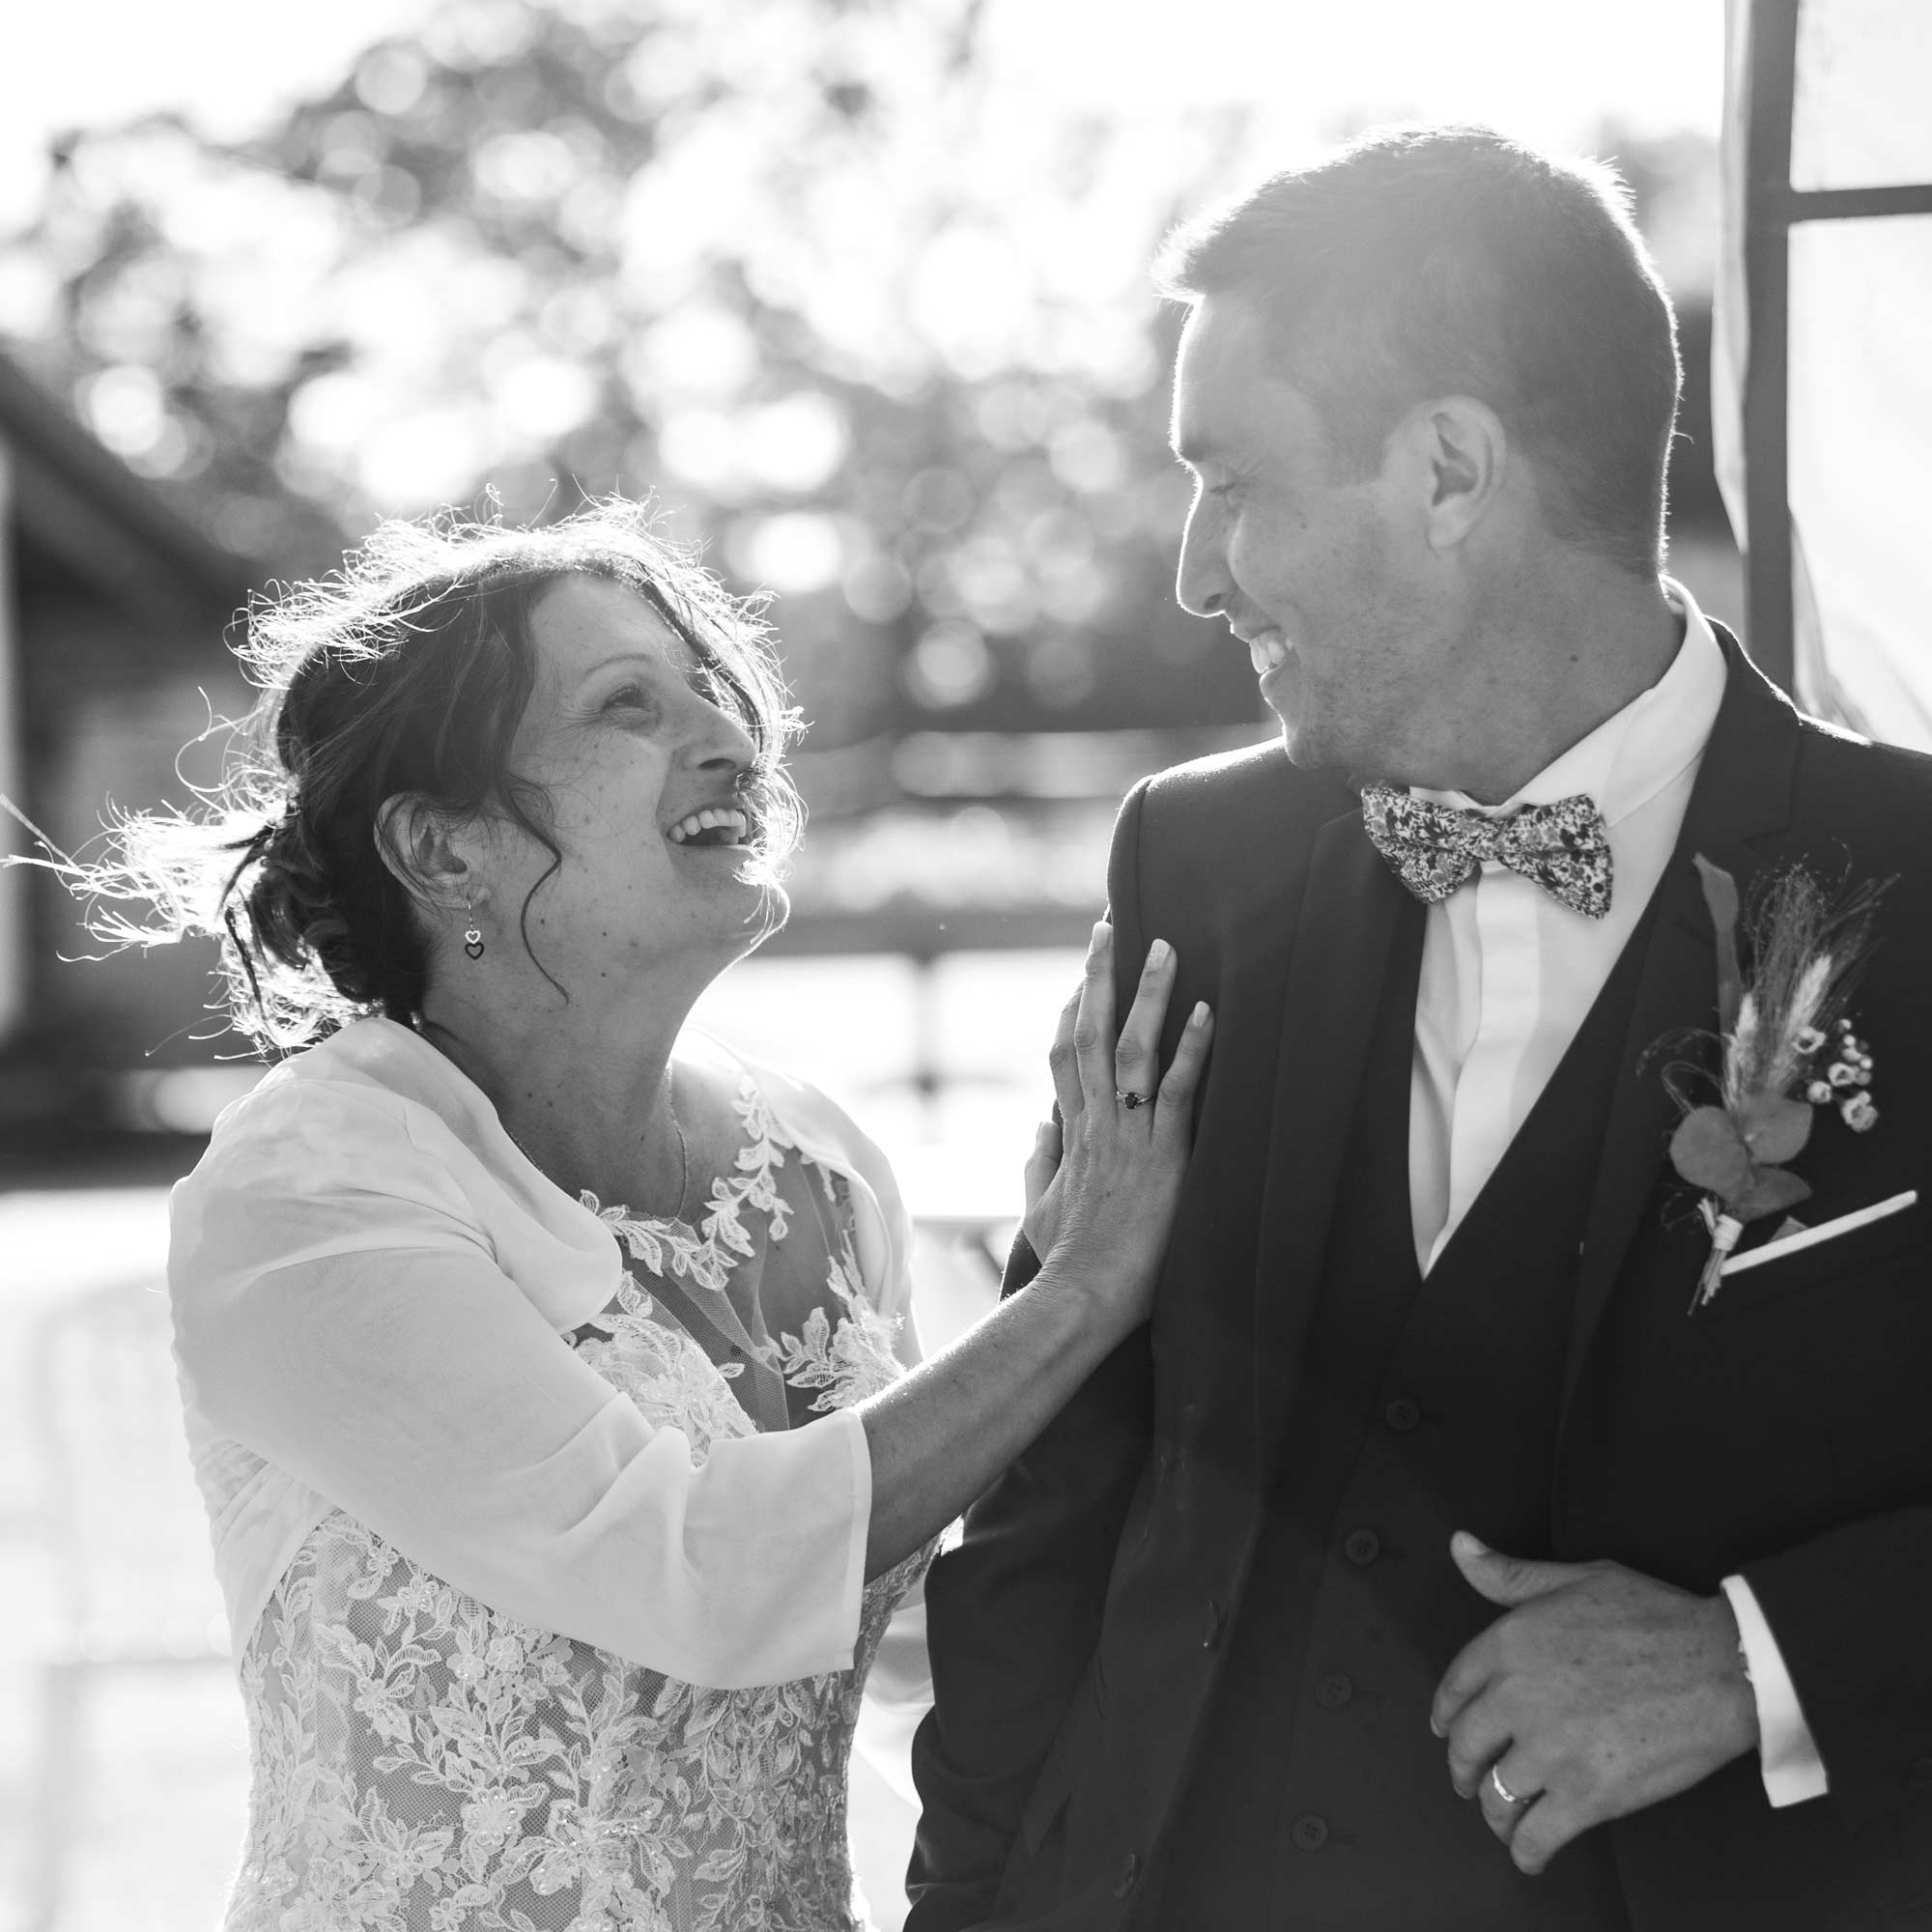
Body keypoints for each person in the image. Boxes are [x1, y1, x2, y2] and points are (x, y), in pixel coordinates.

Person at [908, 125, 1932, 1930]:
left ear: (1452, 468)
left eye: (1233, 482)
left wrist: (1754, 1663)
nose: (1195, 576)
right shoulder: (1195, 864)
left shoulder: (1917, 879)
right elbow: (1066, 1480)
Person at [108, 503, 1211, 1931]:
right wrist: (1075, 1293)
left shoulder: (811, 1160)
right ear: (444, 850)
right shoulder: (308, 1193)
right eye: (628, 704)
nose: (728, 737)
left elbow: (900, 1641)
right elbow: (695, 1572)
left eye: (712, 687)